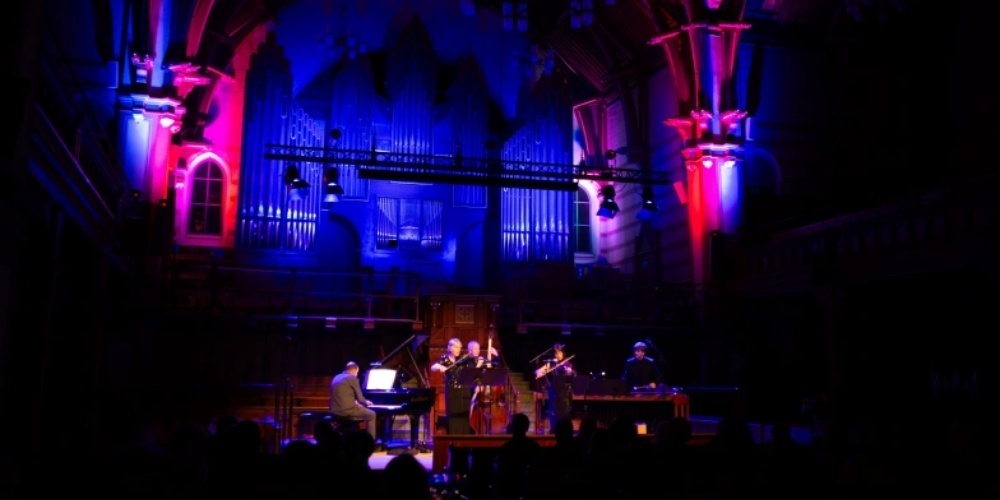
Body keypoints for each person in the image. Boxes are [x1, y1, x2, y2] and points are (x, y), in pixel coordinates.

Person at [430, 338, 473, 434]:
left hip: (464, 390)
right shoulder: (445, 358)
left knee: (464, 415)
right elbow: (433, 367)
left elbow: (472, 365)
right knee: (453, 414)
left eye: (460, 348)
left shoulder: (463, 358)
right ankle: (453, 438)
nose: (458, 350)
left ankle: (464, 438)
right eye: (456, 347)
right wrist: (439, 366)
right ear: (450, 348)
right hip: (451, 390)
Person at [329, 361, 377, 440]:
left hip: (334, 411)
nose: (356, 375)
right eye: (357, 373)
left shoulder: (336, 377)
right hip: (346, 411)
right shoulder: (352, 378)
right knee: (372, 414)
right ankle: (371, 442)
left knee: (360, 409)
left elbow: (341, 395)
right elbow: (361, 399)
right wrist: (367, 402)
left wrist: (354, 401)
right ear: (353, 371)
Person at [538, 343, 575, 431]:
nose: (557, 355)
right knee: (553, 411)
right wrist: (540, 371)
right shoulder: (552, 364)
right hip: (554, 391)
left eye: (559, 353)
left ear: (563, 353)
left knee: (563, 412)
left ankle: (564, 430)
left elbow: (572, 373)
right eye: (556, 353)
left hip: (564, 393)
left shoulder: (567, 364)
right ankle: (553, 429)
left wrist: (570, 371)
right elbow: (539, 372)